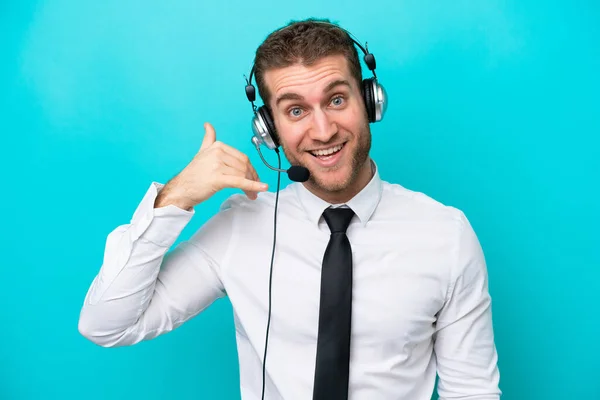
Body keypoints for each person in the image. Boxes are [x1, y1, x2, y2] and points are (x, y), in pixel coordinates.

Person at [78, 18, 501, 400]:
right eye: (296, 110)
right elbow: (107, 324)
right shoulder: (240, 226)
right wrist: (174, 198)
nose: (323, 130)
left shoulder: (445, 235)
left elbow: (473, 391)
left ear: (370, 102)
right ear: (270, 130)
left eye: (336, 100)